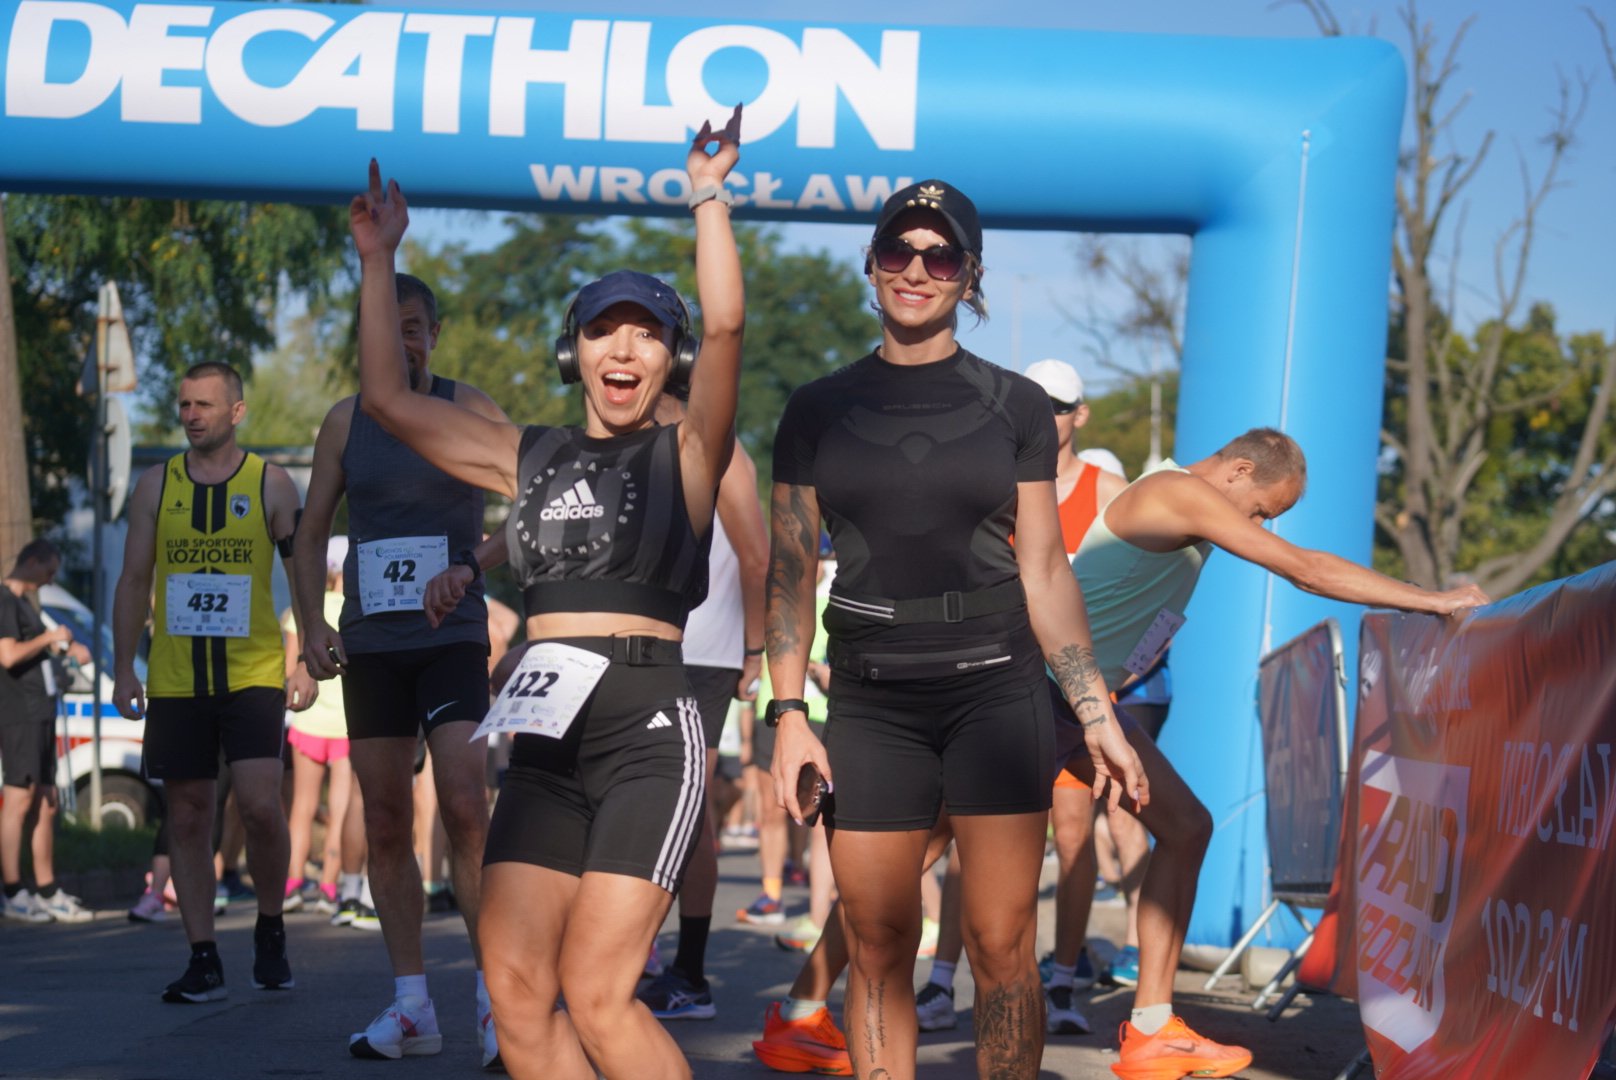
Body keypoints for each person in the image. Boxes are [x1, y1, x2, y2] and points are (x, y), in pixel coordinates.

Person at [345, 102, 743, 1080]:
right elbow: (387, 400)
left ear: (672, 359)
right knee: (518, 996)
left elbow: (728, 321)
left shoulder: (690, 453)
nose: (623, 350)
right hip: (545, 739)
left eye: (645, 335)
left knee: (599, 992)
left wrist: (707, 198)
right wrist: (376, 262)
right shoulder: (527, 455)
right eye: (602, 332)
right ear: (574, 354)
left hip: (648, 729)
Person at [764, 179, 1146, 1080]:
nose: (916, 270)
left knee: (1000, 941)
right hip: (871, 698)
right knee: (877, 939)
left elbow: (1044, 570)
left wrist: (1094, 711)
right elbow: (787, 573)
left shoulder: (1015, 405)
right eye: (898, 250)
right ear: (871, 264)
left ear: (969, 276)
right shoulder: (816, 408)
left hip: (996, 693)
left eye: (941, 257)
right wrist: (787, 714)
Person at [1068, 426, 1488, 1080]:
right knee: (926, 844)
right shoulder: (1178, 491)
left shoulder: (1182, 496)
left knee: (1186, 827)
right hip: (1047, 690)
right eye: (1264, 510)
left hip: (1080, 697)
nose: (1260, 524)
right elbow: (1304, 570)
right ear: (1238, 470)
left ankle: (1150, 1029)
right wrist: (1434, 601)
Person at [293, 272, 509, 1064]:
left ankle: (497, 1002)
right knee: (383, 818)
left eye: (413, 327)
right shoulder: (344, 421)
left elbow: (538, 495)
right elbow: (310, 531)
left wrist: (475, 563)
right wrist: (311, 625)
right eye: (388, 327)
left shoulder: (470, 407)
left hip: (452, 633)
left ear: (433, 335)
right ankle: (413, 1003)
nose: (401, 341)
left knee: (465, 805)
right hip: (374, 644)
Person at [111, 361, 315, 1002]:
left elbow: (303, 569)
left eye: (204, 404)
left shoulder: (270, 482)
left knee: (259, 805)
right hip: (176, 679)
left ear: (236, 412)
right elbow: (134, 580)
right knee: (188, 814)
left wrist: (307, 654)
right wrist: (123, 666)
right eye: (184, 405)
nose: (191, 415)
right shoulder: (155, 485)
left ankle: (270, 926)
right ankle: (203, 956)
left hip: (252, 674)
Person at [636, 386, 768, 1022]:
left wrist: (754, 651)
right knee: (627, 804)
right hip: (633, 646)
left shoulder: (721, 448)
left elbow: (756, 557)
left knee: (690, 814)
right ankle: (638, 952)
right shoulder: (629, 440)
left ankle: (689, 973)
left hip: (703, 655)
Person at [0, 538, 93, 923]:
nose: (51, 579)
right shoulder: (4, 600)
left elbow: (33, 651)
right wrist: (51, 638)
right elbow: (8, 654)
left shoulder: (25, 604)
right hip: (19, 714)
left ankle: (47, 889)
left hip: (41, 712)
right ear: (33, 561)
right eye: (50, 571)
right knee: (18, 798)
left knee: (45, 801)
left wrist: (65, 652)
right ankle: (12, 891)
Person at [278, 538, 352, 916]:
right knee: (341, 809)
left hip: (308, 718)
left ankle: (291, 884)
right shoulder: (355, 610)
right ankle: (329, 886)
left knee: (302, 806)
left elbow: (292, 665)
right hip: (346, 723)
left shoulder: (306, 610)